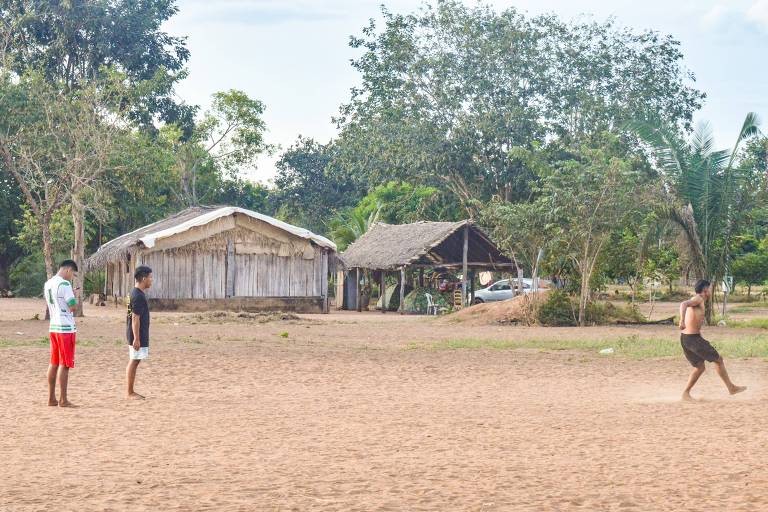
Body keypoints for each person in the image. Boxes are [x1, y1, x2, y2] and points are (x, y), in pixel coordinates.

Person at [679, 279, 746, 401]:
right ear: (705, 290)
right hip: (693, 339)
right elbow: (683, 304)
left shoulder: (699, 300)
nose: (710, 291)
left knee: (700, 367)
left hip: (686, 338)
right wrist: (682, 320)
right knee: (718, 360)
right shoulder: (698, 299)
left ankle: (685, 393)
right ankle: (731, 388)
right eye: (709, 289)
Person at [44, 260, 79, 407]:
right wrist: (75, 295)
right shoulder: (65, 285)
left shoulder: (48, 283)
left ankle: (51, 397)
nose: (72, 277)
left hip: (54, 326)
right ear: (68, 270)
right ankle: (63, 399)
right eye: (73, 274)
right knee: (65, 364)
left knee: (54, 362)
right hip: (65, 328)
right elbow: (72, 307)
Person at [126, 265, 153, 400]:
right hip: (136, 333)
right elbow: (135, 318)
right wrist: (136, 338)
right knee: (134, 361)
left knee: (135, 360)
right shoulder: (138, 296)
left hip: (134, 332)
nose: (151, 280)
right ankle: (130, 392)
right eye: (150, 277)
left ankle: (130, 391)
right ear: (143, 278)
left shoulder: (133, 293)